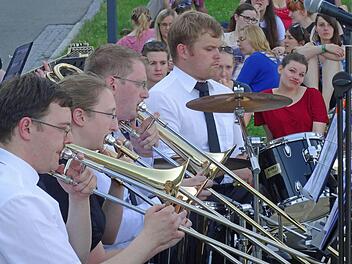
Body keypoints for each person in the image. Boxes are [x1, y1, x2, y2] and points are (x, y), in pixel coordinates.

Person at [37, 73, 189, 264]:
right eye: (110, 115)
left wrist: (118, 183)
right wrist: (152, 239)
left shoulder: (79, 164)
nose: (115, 125)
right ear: (80, 116)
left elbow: (106, 235)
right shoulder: (60, 169)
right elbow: (93, 260)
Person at [84, 44, 211, 250]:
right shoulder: (92, 140)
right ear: (113, 84)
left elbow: (134, 193)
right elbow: (113, 230)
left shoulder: (120, 130)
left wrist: (143, 153)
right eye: (141, 85)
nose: (146, 94)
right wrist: (172, 199)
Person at [0, 74, 95, 263]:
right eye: (63, 129)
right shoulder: (20, 199)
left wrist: (78, 198)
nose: (69, 140)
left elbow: (74, 255)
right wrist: (149, 239)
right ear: (27, 128)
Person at [254, 53, 328, 140]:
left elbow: (317, 136)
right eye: (292, 71)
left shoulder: (313, 95)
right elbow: (270, 138)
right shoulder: (264, 98)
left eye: (301, 75)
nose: (296, 77)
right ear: (280, 69)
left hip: (310, 151)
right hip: (281, 152)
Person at [296, 13, 345, 110]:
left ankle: (323, 108)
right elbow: (298, 53)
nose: (326, 28)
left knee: (331, 61)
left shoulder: (342, 46)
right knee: (310, 57)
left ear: (335, 28)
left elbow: (339, 56)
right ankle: (316, 102)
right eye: (321, 25)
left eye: (330, 25)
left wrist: (318, 50)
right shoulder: (311, 45)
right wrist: (324, 48)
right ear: (316, 29)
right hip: (313, 91)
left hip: (336, 94)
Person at [236, 24, 280, 92]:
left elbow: (239, 87)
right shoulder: (275, 57)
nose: (238, 44)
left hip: (258, 100)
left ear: (253, 38)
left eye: (242, 39)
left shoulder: (255, 58)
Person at [224, 3, 259, 78]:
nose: (249, 22)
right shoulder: (223, 38)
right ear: (236, 17)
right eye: (247, 18)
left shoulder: (256, 43)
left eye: (253, 20)